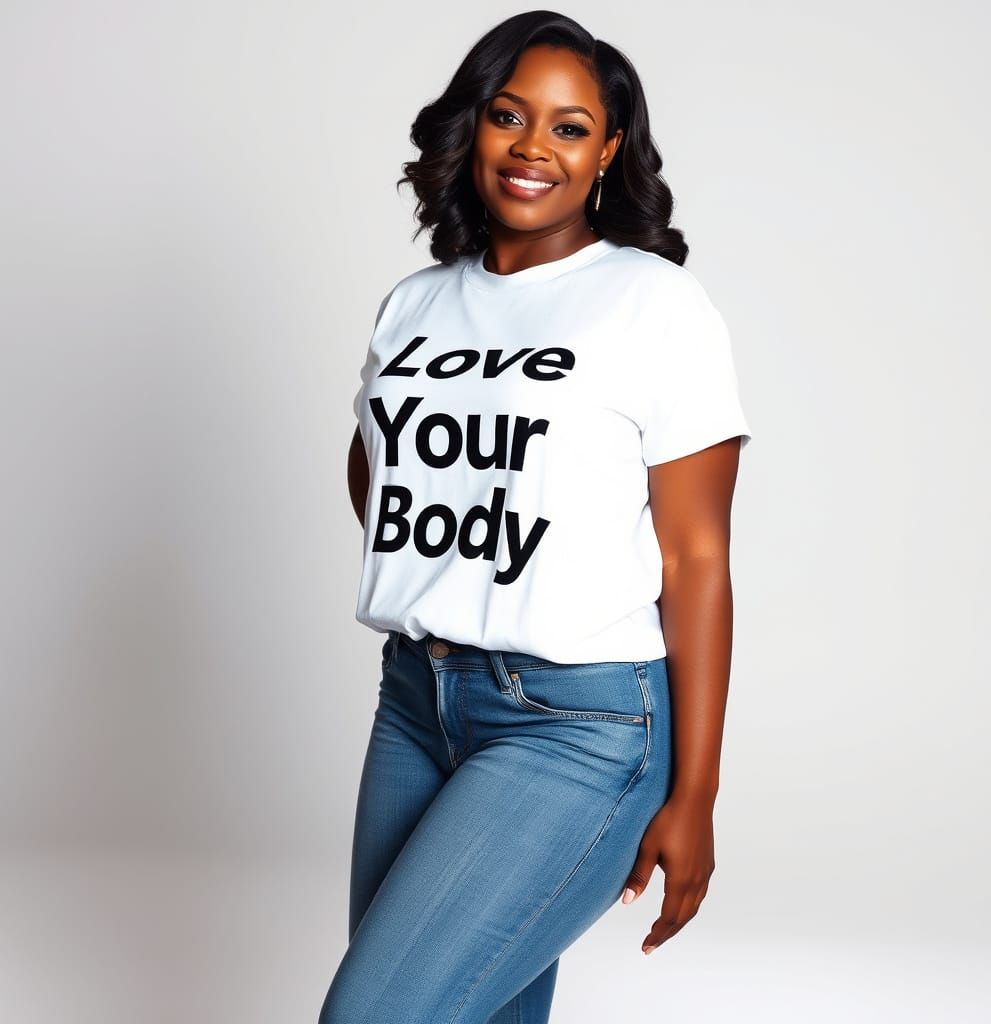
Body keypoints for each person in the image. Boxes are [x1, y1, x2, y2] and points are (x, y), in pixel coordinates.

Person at [319, 11, 753, 1024]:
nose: (531, 147)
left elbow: (696, 557)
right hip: (414, 702)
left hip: (577, 724)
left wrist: (695, 793)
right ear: (473, 125)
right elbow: (380, 467)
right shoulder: (415, 303)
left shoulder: (653, 303)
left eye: (568, 127)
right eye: (509, 116)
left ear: (607, 151)